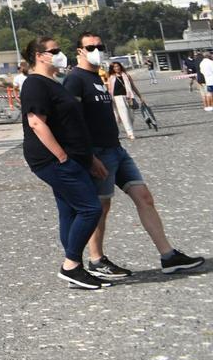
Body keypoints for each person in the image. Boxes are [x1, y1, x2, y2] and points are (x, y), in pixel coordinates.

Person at [65, 32, 202, 279]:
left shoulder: (98, 77)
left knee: (144, 197)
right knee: (101, 206)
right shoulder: (75, 80)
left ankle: (168, 255)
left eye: (100, 45)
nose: (97, 49)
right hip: (98, 152)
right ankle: (96, 260)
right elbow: (71, 121)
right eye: (91, 46)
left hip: (116, 148)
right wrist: (87, 156)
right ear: (79, 51)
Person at [20, 36, 109, 288]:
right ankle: (70, 265)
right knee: (90, 208)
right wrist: (61, 157)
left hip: (74, 157)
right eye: (54, 51)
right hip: (53, 159)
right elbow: (36, 123)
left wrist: (88, 158)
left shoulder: (54, 81)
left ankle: (76, 269)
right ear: (39, 56)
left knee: (69, 210)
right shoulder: (35, 84)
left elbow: (70, 123)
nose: (60, 54)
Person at [106, 61, 139, 142]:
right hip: (118, 98)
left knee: (131, 116)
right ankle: (130, 133)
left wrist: (140, 96)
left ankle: (129, 130)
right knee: (124, 116)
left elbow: (133, 86)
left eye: (118, 66)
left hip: (128, 96)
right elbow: (109, 90)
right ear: (112, 69)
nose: (117, 68)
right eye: (114, 67)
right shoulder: (111, 77)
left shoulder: (126, 75)